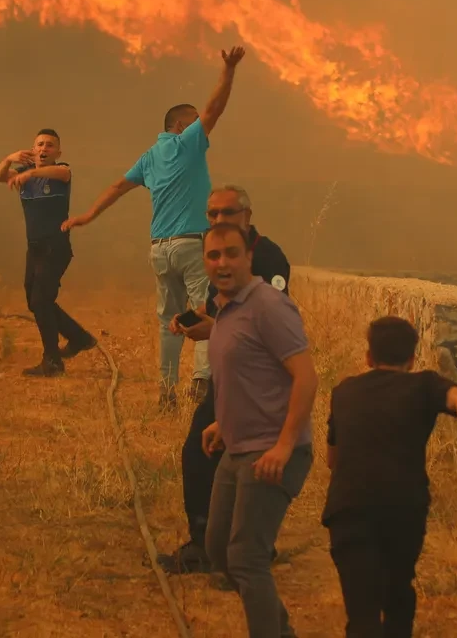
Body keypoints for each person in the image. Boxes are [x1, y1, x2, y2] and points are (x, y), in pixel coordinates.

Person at [63, 46, 246, 410]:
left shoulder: (149, 156)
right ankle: (200, 381)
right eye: (192, 122)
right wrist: (228, 70)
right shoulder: (187, 144)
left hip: (159, 249)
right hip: (192, 246)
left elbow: (117, 186)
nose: (200, 127)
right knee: (206, 311)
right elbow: (214, 109)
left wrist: (87, 216)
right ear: (179, 126)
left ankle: (166, 392)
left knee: (169, 321)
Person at [323, 316, 457, 638]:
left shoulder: (343, 391)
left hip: (348, 508)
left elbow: (331, 459)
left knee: (361, 613)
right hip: (403, 509)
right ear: (413, 358)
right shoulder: (425, 385)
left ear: (368, 357)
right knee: (398, 591)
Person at [158, 185, 291, 575]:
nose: (217, 221)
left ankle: (210, 547)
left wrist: (212, 331)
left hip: (257, 380)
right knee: (224, 459)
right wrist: (189, 317)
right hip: (230, 376)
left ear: (247, 215)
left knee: (208, 455)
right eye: (212, 214)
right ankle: (236, 545)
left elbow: (270, 329)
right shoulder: (223, 257)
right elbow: (221, 306)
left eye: (227, 213)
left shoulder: (268, 258)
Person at [199, 222, 317, 638]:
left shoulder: (268, 305)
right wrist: (221, 422)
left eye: (231, 253)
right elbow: (249, 373)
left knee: (247, 558)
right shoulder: (226, 307)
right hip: (237, 447)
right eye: (214, 256)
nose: (222, 263)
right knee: (219, 550)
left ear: (250, 256)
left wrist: (284, 447)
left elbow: (305, 377)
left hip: (270, 452)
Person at [0, 129, 97, 377]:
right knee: (35, 301)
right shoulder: (22, 173)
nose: (43, 149)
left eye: (49, 145)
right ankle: (79, 337)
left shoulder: (60, 170)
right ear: (32, 149)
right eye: (39, 144)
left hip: (55, 246)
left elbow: (63, 173)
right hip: (35, 247)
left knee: (41, 300)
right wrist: (10, 158)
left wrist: (31, 172)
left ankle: (52, 360)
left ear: (57, 152)